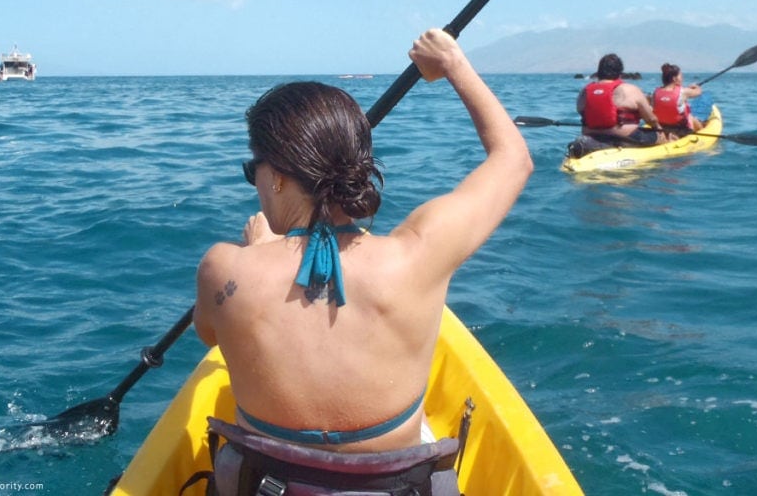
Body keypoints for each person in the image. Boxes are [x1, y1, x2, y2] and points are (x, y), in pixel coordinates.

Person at [192, 28, 533, 494]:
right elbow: (513, 159)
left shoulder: (224, 269)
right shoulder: (419, 255)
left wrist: (257, 255)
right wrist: (453, 62)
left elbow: (210, 332)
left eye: (254, 169)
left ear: (274, 178)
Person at [567, 53, 665, 158]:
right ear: (619, 73)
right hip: (625, 136)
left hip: (592, 134)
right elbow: (651, 119)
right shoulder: (630, 89)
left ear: (599, 72)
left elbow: (580, 110)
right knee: (660, 136)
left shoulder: (584, 91)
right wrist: (659, 129)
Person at [652, 63, 703, 131]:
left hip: (662, 127)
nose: (682, 78)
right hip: (680, 129)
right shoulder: (684, 92)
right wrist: (696, 87)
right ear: (674, 79)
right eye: (681, 76)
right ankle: (701, 131)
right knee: (690, 116)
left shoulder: (655, 92)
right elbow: (698, 92)